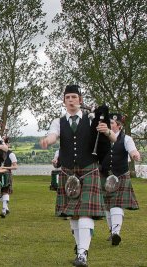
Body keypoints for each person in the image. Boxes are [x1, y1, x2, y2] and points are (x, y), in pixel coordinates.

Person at [39, 85, 116, 267]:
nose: (71, 100)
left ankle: (82, 254)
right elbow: (53, 136)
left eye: (74, 97)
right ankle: (79, 246)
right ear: (64, 101)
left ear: (80, 100)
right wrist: (47, 141)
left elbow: (113, 138)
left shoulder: (91, 119)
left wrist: (106, 131)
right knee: (73, 214)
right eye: (68, 97)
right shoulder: (58, 122)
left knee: (85, 213)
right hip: (68, 171)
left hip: (89, 169)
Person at [100, 113, 140, 246]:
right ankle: (112, 231)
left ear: (119, 126)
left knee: (116, 204)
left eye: (112, 123)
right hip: (104, 175)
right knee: (107, 205)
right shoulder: (101, 138)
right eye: (108, 123)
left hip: (120, 175)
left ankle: (116, 233)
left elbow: (132, 150)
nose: (109, 125)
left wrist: (135, 154)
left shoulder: (126, 138)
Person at [0, 137, 18, 218]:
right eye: (3, 144)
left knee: (5, 191)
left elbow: (15, 167)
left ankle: (3, 209)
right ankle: (6, 208)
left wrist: (6, 168)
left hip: (7, 174)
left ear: (8, 145)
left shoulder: (11, 154)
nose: (5, 145)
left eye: (6, 144)